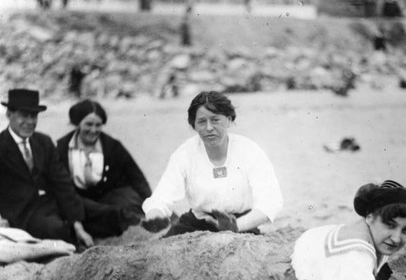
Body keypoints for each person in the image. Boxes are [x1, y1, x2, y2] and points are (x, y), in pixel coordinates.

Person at [141, 91, 283, 236]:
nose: (209, 128)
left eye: (215, 120)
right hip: (195, 223)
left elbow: (271, 201)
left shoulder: (249, 150)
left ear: (229, 119)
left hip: (240, 223)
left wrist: (237, 226)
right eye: (202, 121)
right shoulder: (184, 154)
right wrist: (154, 216)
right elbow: (162, 196)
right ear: (194, 125)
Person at [0, 89, 93, 248]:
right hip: (21, 215)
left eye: (34, 116)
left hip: (50, 204)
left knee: (99, 211)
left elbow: (61, 182)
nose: (30, 122)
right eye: (24, 115)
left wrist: (78, 225)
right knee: (55, 228)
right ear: (9, 114)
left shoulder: (43, 142)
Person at [57, 99, 152, 238]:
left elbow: (136, 177)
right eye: (88, 124)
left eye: (98, 125)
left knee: (130, 205)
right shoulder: (62, 147)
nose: (93, 130)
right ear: (77, 123)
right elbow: (58, 184)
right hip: (80, 201)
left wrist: (152, 204)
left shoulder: (112, 146)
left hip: (110, 196)